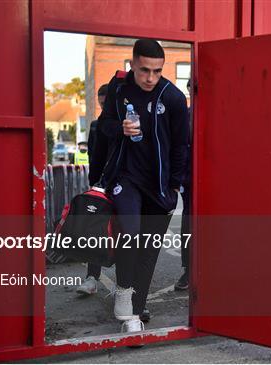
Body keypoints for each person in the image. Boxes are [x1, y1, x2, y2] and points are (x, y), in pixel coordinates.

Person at [94, 39, 189, 333]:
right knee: (131, 233)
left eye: (157, 71)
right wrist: (119, 129)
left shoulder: (172, 98)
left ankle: (134, 313)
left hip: (160, 187)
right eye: (145, 70)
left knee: (148, 249)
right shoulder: (119, 89)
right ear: (132, 63)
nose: (150, 78)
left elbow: (181, 146)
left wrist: (175, 186)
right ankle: (124, 291)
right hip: (127, 179)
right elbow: (104, 125)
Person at [174, 78, 192, 291]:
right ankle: (188, 269)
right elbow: (179, 148)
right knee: (189, 224)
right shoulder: (186, 116)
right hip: (190, 179)